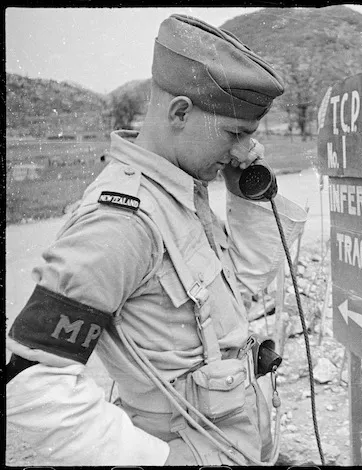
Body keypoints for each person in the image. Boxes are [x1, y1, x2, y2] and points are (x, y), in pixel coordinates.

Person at [5, 14, 307, 466]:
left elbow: (245, 288)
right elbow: (29, 383)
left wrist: (246, 194)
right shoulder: (121, 221)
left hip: (233, 444)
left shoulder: (181, 192)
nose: (245, 152)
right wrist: (156, 461)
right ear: (181, 112)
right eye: (235, 134)